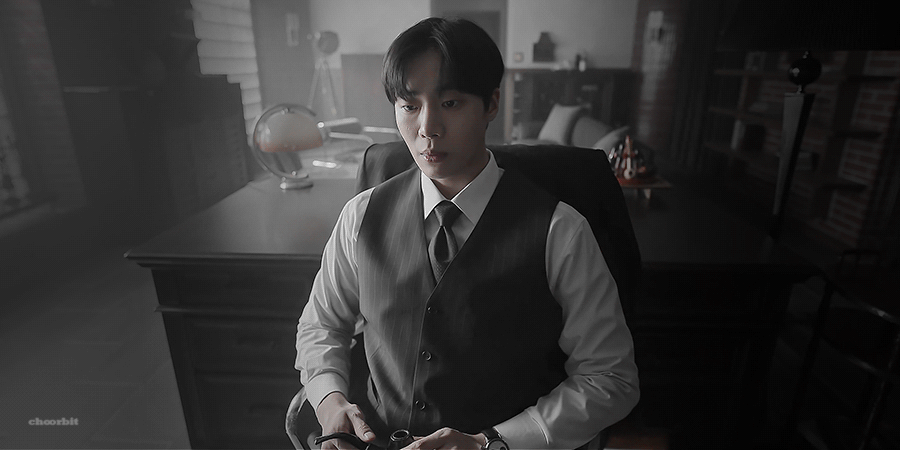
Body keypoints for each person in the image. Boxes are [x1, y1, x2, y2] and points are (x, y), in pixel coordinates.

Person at [296, 17, 638, 450]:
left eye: (451, 102)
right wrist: (329, 401)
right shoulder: (361, 216)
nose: (428, 128)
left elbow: (611, 377)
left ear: (491, 104)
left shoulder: (559, 231)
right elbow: (322, 323)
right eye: (409, 106)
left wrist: (490, 442)